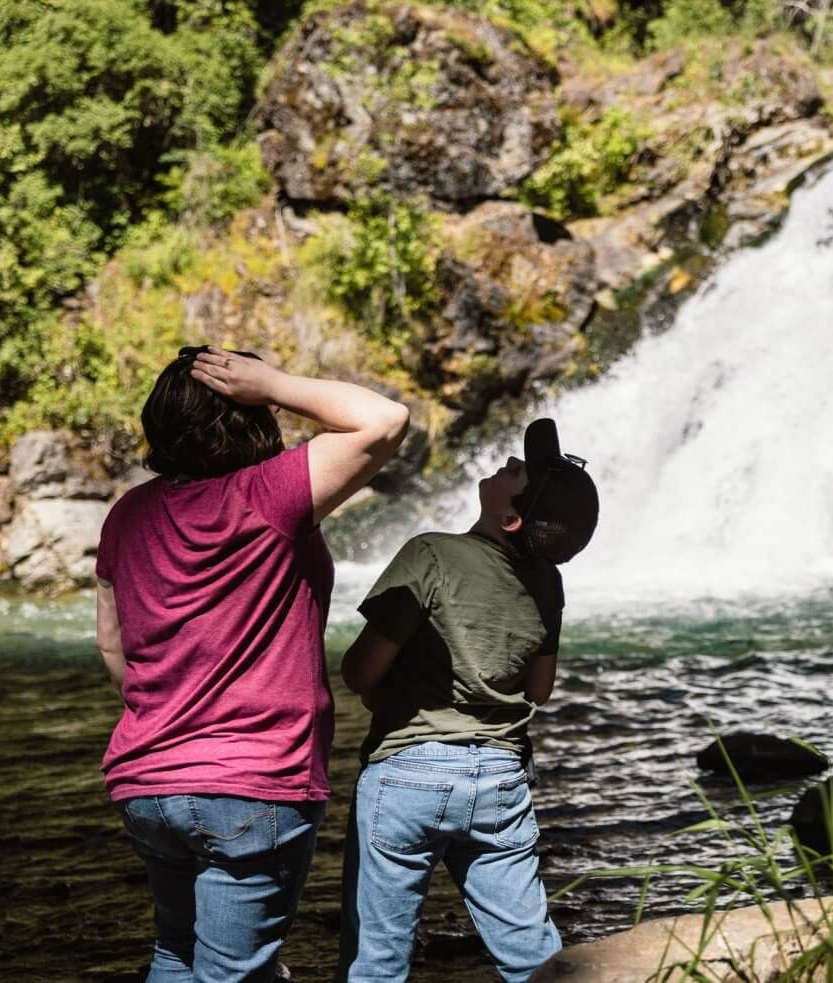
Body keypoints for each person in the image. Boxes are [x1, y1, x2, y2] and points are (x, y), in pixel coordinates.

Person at [95, 346, 409, 982]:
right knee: (233, 973)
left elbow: (111, 641)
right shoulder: (270, 494)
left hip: (147, 779)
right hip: (252, 780)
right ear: (252, 415)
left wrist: (167, 714)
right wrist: (276, 381)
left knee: (173, 953)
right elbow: (384, 419)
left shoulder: (128, 513)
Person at [336, 418, 598, 983]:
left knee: (376, 960)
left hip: (408, 774)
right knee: (533, 954)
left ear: (511, 516)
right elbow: (540, 689)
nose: (509, 464)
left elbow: (360, 671)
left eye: (518, 473)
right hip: (499, 780)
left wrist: (390, 691)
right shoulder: (547, 583)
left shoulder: (429, 554)